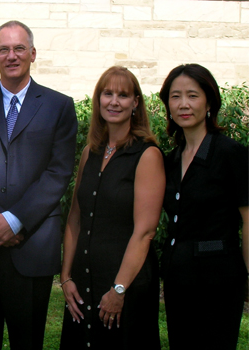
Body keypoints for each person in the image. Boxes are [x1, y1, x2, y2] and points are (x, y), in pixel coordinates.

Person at [0, 20, 78, 349]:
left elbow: (58, 172)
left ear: (33, 53)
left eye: (19, 48)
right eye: (3, 49)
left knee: (29, 342)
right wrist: (1, 220)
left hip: (32, 245)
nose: (12, 55)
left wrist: (16, 219)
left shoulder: (59, 106)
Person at [59, 66, 164, 350]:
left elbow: (145, 231)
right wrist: (66, 276)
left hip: (124, 283)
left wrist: (119, 289)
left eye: (123, 95)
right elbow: (75, 218)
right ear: (98, 99)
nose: (114, 101)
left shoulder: (147, 154)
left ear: (136, 103)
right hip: (83, 281)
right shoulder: (89, 152)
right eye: (108, 93)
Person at [159, 64, 248, 349]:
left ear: (209, 102)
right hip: (177, 280)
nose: (184, 104)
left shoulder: (230, 154)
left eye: (193, 95)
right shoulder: (170, 160)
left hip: (218, 280)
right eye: (175, 96)